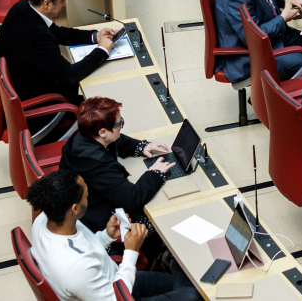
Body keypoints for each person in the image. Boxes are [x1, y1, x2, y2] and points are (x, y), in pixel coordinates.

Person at [27, 171, 199, 301]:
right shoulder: (76, 269)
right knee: (193, 294)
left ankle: (173, 261)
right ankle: (173, 262)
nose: (89, 195)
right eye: (86, 195)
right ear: (75, 208)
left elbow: (84, 247)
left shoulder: (45, 220)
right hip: (118, 293)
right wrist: (131, 251)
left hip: (114, 277)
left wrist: (107, 236)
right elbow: (117, 298)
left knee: (185, 284)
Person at [0, 0, 124, 115]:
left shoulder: (23, 6)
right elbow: (70, 75)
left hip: (26, 82)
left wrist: (95, 36)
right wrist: (102, 50)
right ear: (47, 3)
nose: (64, 5)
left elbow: (57, 32)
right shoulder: (37, 38)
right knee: (103, 108)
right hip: (40, 105)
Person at [61, 95, 175, 233]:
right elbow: (132, 199)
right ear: (102, 132)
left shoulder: (83, 136)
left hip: (83, 206)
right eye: (119, 124)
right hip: (98, 223)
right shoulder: (97, 165)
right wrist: (155, 173)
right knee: (160, 224)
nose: (121, 127)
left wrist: (141, 146)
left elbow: (113, 140)